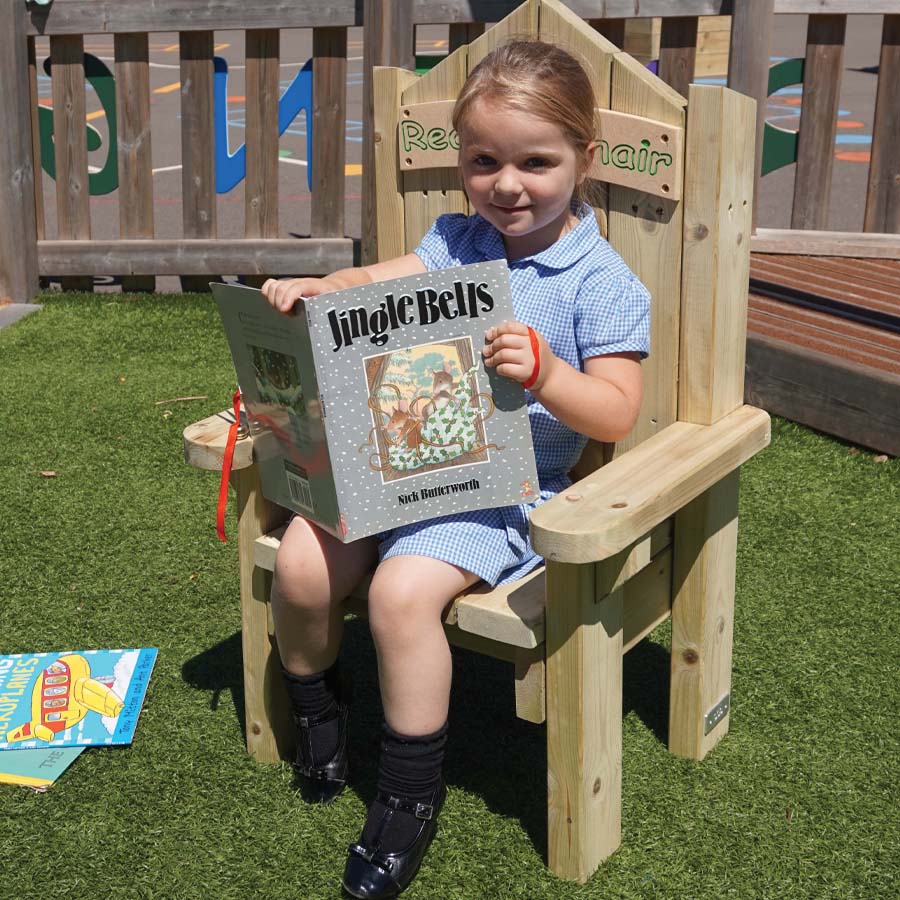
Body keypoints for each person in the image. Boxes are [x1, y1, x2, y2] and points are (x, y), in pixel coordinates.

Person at [260, 39, 650, 900]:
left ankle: (406, 795)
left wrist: (548, 373)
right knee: (298, 561)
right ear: (461, 163)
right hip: (395, 457)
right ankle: (322, 710)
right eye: (484, 160)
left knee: (400, 596)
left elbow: (617, 412)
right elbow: (378, 279)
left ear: (585, 160)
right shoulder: (454, 241)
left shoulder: (602, 281)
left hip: (499, 490)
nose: (507, 184)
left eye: (536, 162)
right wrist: (330, 283)